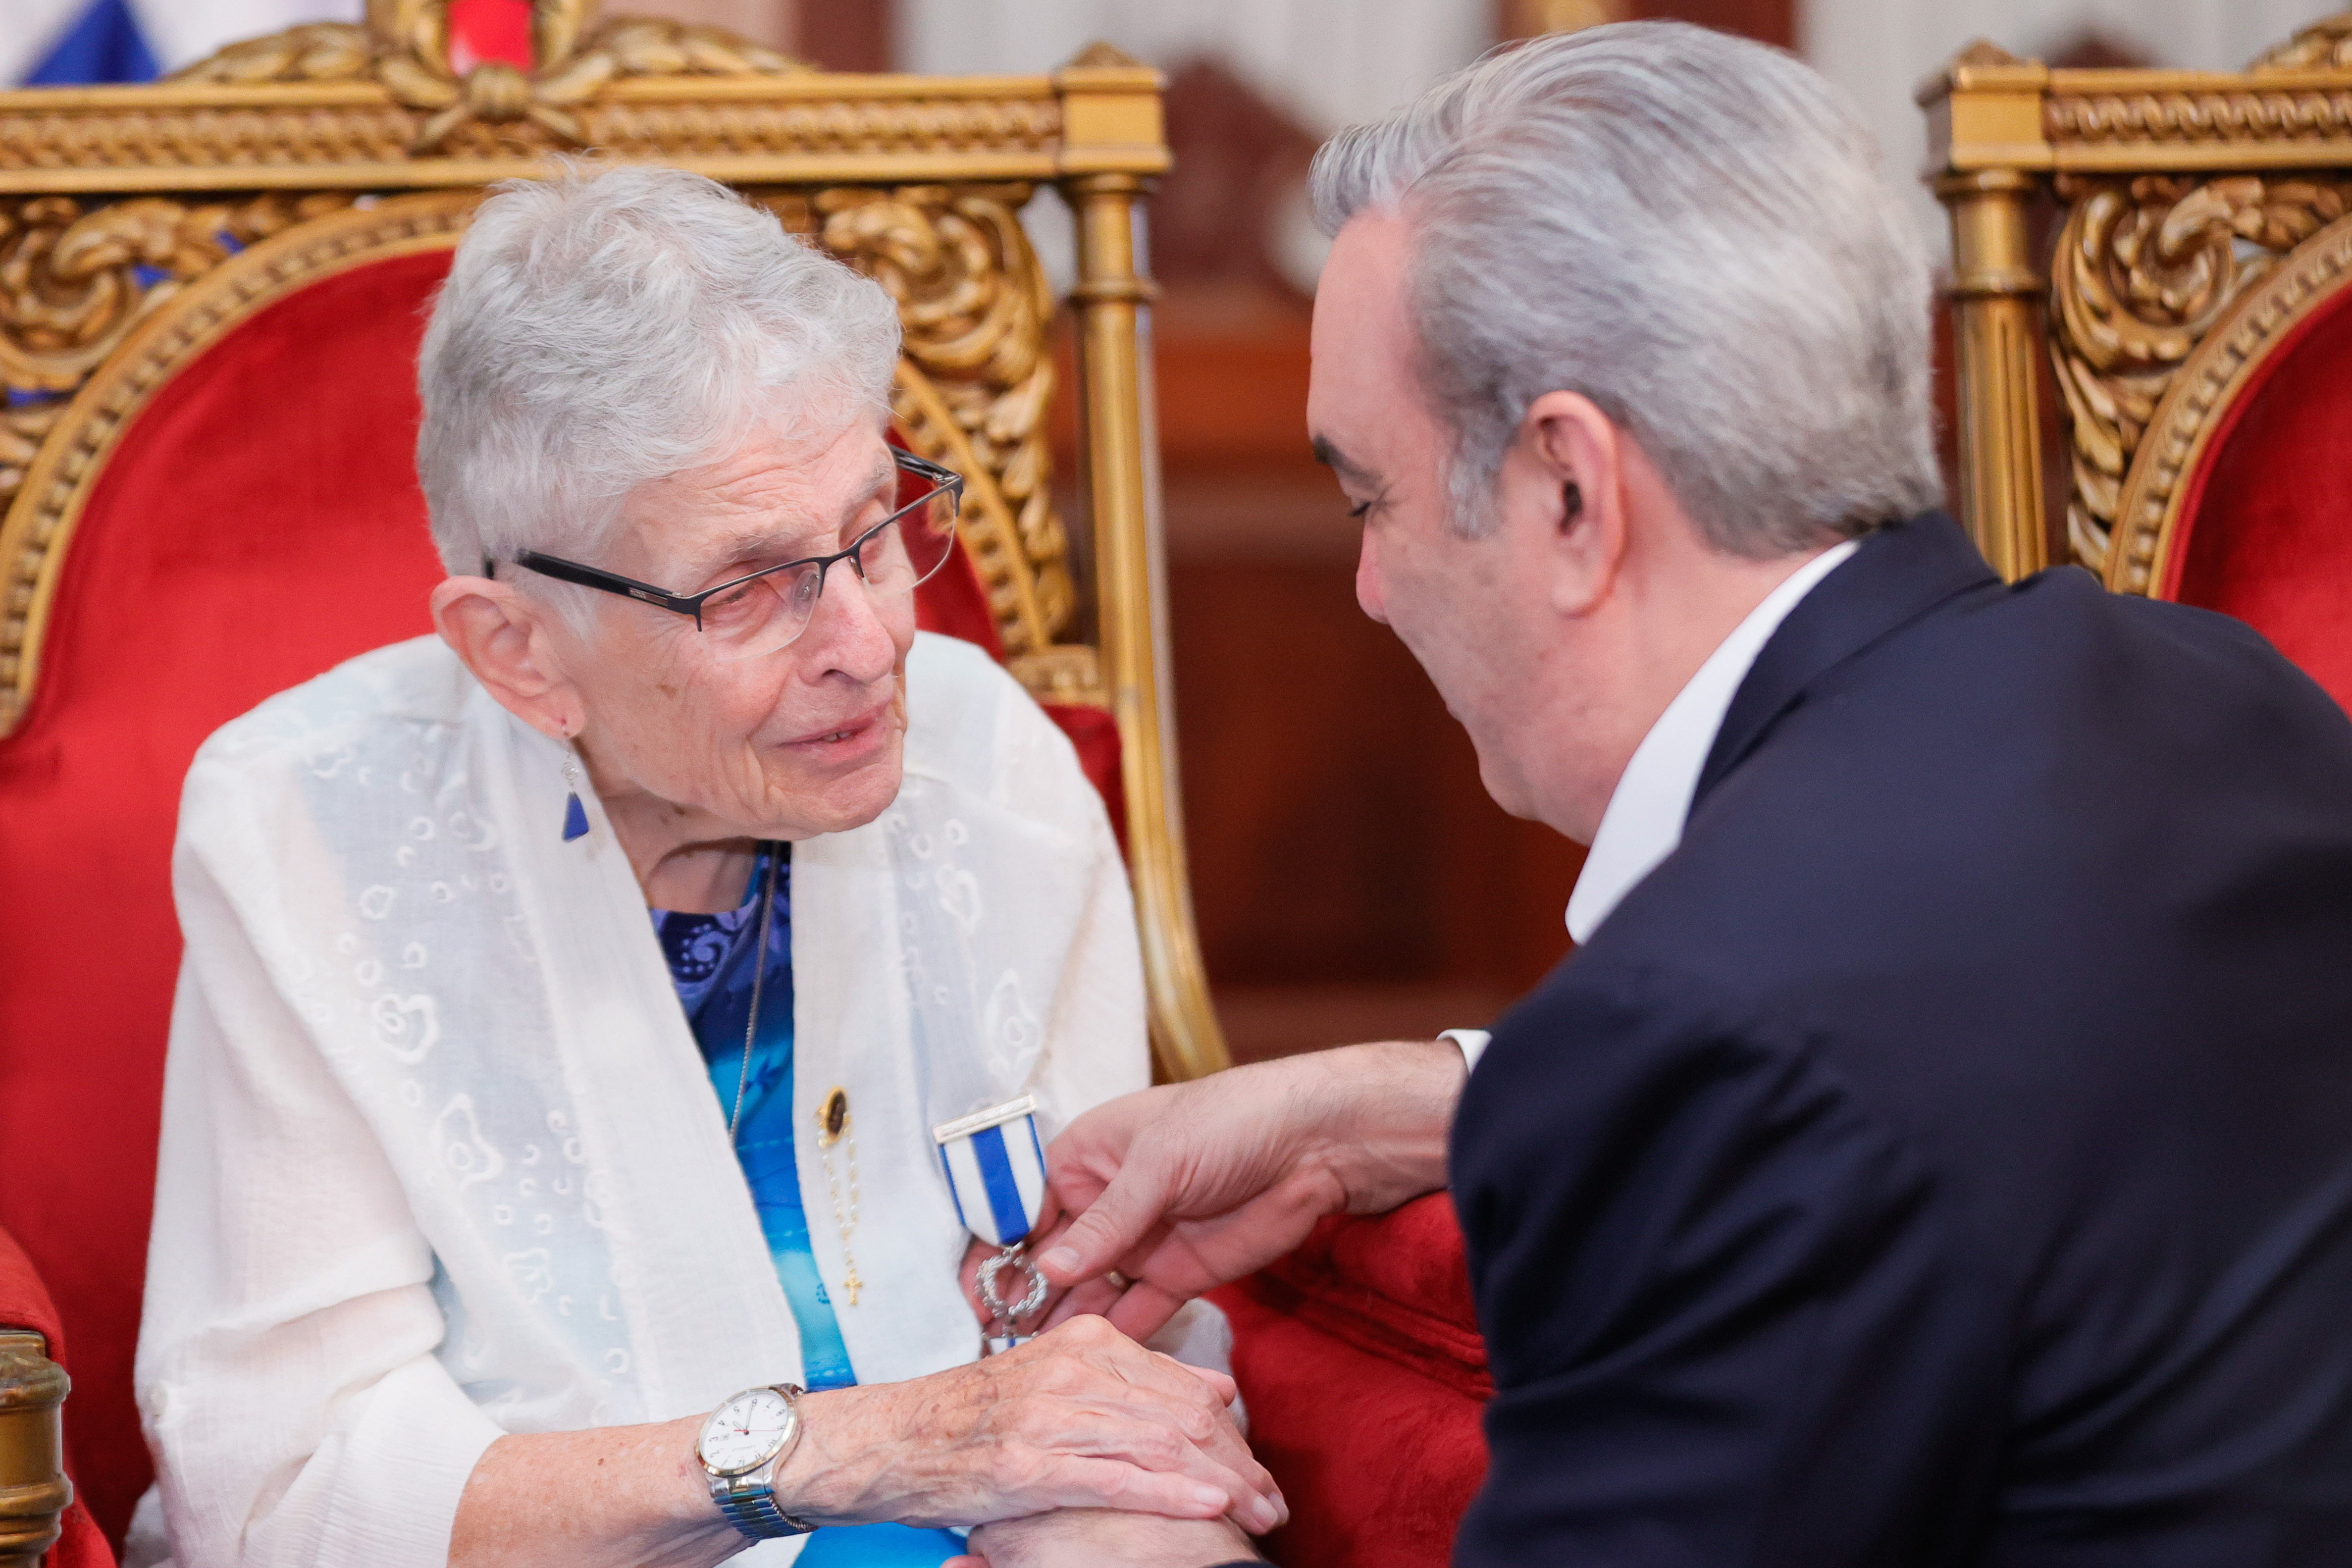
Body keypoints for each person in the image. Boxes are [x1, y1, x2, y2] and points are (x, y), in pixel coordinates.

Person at [961, 21, 2352, 1568]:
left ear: (1569, 488)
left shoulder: (1695, 1040)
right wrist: (1414, 1106)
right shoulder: (2229, 700)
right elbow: (1988, 1071)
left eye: (1369, 498)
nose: (1365, 586)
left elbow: (1792, 1072)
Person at [130, 166, 1282, 1568]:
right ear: (519, 651)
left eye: (873, 530)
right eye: (747, 587)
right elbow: (287, 1491)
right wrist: (860, 1450)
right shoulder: (306, 830)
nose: (869, 640)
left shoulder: (989, 763)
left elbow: (1097, 1350)